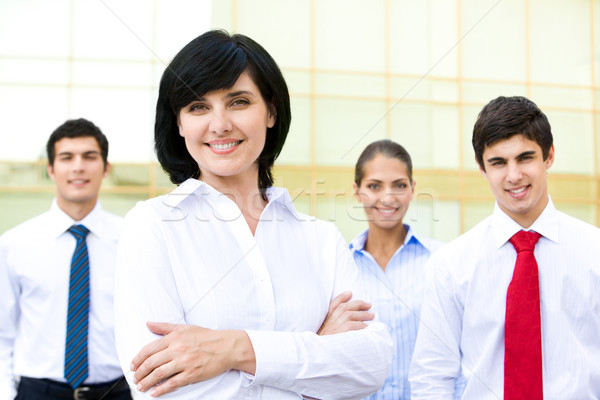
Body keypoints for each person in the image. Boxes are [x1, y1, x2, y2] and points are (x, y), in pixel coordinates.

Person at [113, 29, 393, 400]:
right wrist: (315, 350)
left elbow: (371, 364)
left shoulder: (320, 240)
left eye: (239, 102)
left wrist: (236, 349)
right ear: (179, 124)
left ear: (272, 112)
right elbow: (158, 385)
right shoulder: (151, 227)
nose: (219, 124)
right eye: (198, 107)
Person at [409, 96, 600, 399]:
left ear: (549, 156)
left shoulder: (595, 251)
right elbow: (432, 376)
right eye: (498, 162)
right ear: (481, 168)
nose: (513, 176)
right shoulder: (450, 264)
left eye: (525, 158)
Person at [0, 118, 132, 400]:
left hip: (116, 392)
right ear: (50, 169)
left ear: (106, 168)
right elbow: (2, 332)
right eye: (66, 157)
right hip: (36, 392)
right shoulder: (14, 244)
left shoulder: (133, 241)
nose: (78, 167)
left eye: (89, 156)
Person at [350, 139, 463, 400]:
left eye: (399, 185)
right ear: (357, 191)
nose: (388, 197)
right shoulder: (340, 266)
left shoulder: (443, 260)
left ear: (412, 189)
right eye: (374, 186)